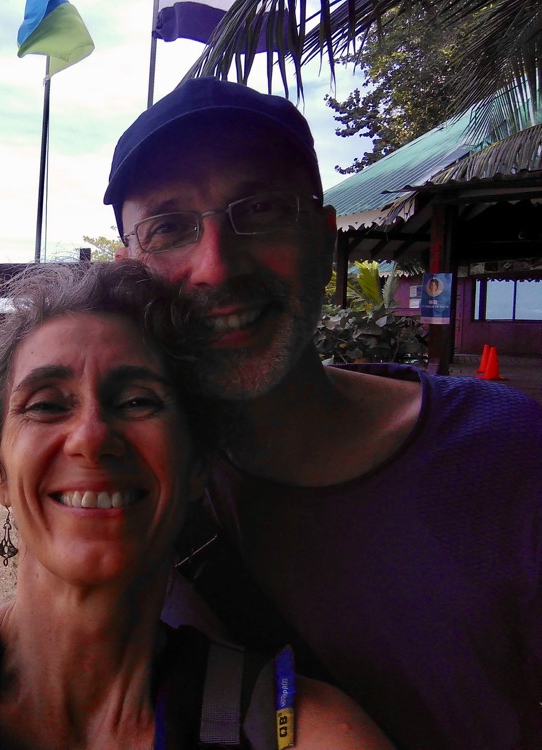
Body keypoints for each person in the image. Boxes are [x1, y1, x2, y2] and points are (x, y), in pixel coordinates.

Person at [0, 262, 391, 749]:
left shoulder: (296, 730)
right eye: (47, 405)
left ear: (196, 465)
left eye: (137, 401)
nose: (91, 437)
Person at [104, 76, 542, 750]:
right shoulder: (117, 488)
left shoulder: (508, 453)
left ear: (323, 236)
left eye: (261, 209)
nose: (216, 267)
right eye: (168, 228)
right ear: (127, 268)